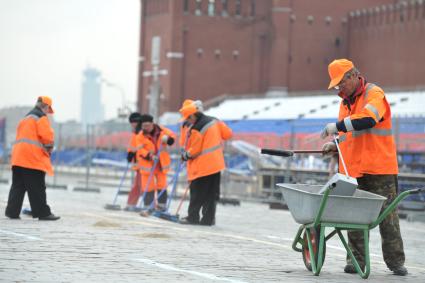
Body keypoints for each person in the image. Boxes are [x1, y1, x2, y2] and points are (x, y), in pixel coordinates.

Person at [321, 59, 407, 276]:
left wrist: (338, 126)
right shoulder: (344, 102)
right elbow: (350, 135)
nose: (339, 88)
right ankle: (355, 260)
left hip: (379, 169)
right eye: (337, 86)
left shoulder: (374, 94)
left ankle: (396, 262)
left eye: (341, 83)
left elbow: (368, 120)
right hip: (353, 169)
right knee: (353, 217)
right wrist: (336, 144)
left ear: (352, 76)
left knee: (387, 217)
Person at [178, 99, 232, 226]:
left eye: (188, 119)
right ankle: (208, 219)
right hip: (216, 164)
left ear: (192, 115)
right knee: (211, 194)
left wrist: (185, 156)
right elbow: (228, 134)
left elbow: (195, 150)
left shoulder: (197, 128)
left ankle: (193, 217)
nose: (188, 122)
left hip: (202, 167)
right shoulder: (214, 121)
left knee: (197, 193)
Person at [5, 96, 60, 221]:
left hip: (18, 158)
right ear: (46, 107)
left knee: (18, 186)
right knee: (37, 187)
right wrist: (49, 149)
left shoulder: (25, 118)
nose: (48, 113)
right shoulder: (41, 118)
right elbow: (47, 137)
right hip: (32, 159)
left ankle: (12, 212)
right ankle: (43, 213)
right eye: (48, 109)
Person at [136, 114, 176, 211]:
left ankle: (162, 207)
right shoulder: (140, 136)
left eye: (147, 126)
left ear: (152, 124)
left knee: (162, 185)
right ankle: (148, 207)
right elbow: (140, 150)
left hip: (161, 164)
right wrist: (150, 156)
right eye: (143, 126)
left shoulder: (163, 131)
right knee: (148, 186)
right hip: (147, 165)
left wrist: (168, 139)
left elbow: (172, 137)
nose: (145, 128)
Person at [124, 112, 142, 211]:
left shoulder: (140, 132)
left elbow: (141, 147)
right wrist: (130, 153)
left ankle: (131, 203)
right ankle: (131, 203)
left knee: (141, 186)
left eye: (133, 122)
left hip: (143, 163)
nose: (132, 124)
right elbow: (133, 145)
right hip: (138, 163)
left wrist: (133, 153)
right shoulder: (136, 131)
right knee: (139, 185)